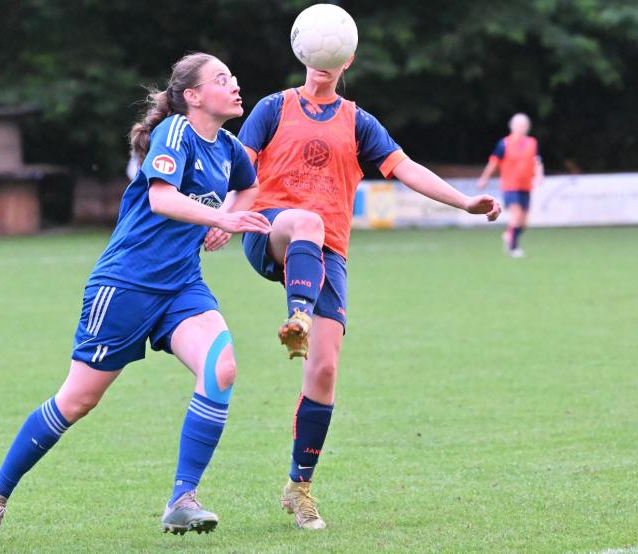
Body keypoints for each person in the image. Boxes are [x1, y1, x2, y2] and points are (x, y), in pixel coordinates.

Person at [0, 52, 271, 542]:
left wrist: (227, 220)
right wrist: (222, 217)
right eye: (222, 79)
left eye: (233, 77)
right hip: (126, 285)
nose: (235, 85)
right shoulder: (176, 132)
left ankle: (182, 499)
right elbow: (161, 198)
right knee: (78, 400)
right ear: (193, 96)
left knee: (221, 368)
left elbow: (250, 186)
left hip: (182, 285)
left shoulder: (229, 147)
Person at [233, 54, 502, 529]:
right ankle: (299, 315)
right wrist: (222, 216)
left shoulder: (358, 122)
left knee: (324, 370)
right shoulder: (273, 108)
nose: (322, 61)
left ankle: (299, 487)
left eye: (331, 54)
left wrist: (463, 201)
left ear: (346, 60)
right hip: (269, 229)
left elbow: (406, 167)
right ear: (301, 51)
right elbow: (237, 167)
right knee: (306, 222)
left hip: (328, 252)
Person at [477, 113, 544, 258]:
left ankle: (509, 235)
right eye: (518, 125)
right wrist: (484, 179)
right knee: (516, 215)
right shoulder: (504, 144)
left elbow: (537, 162)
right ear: (512, 126)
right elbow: (493, 163)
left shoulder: (532, 143)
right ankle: (513, 248)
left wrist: (539, 175)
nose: (521, 128)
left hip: (526, 186)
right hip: (510, 186)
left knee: (524, 222)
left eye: (524, 125)